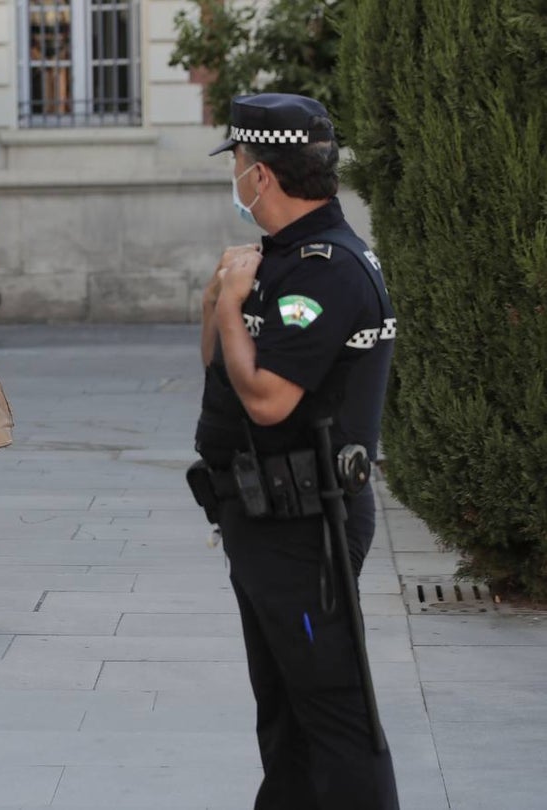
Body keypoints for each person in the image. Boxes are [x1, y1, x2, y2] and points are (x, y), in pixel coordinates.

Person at [193, 93, 400, 809]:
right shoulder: (276, 261)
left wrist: (228, 306)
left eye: (242, 163)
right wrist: (217, 298)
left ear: (263, 175)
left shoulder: (327, 269)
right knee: (285, 709)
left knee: (335, 710)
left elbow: (268, 399)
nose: (240, 177)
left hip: (305, 527)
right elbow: (219, 366)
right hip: (262, 515)